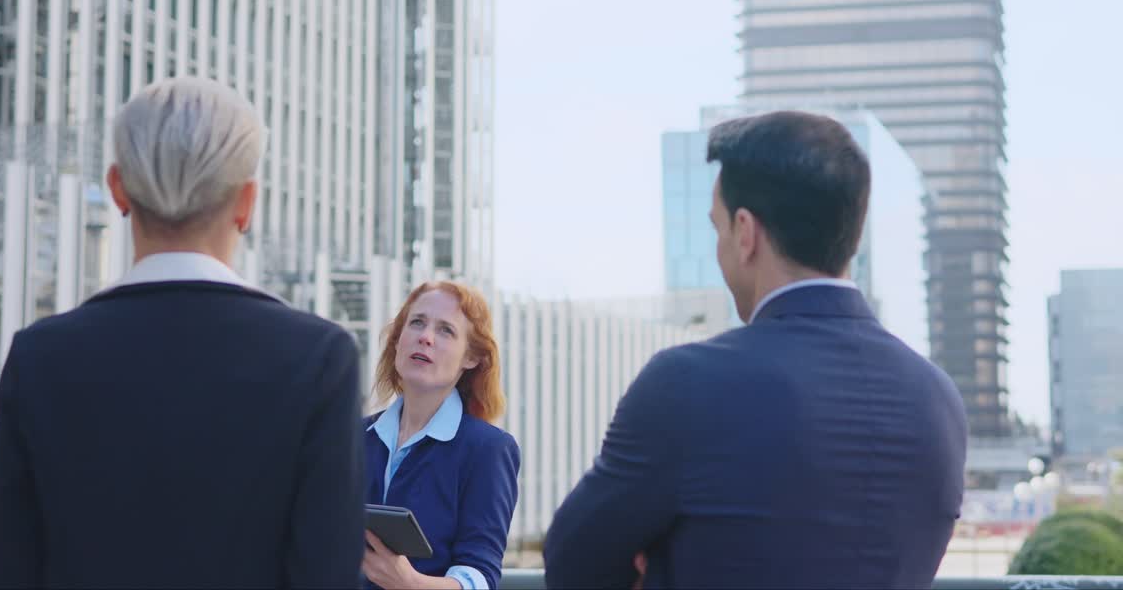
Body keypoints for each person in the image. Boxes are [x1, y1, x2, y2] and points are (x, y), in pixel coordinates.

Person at [544, 110, 968, 589]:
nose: (720, 248)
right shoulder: (938, 399)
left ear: (745, 233)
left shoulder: (688, 382)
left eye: (717, 228)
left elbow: (573, 566)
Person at [0, 77, 365, 588]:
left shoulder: (39, 357)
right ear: (246, 202)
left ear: (118, 189)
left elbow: (11, 573)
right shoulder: (319, 359)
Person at [360, 281, 520, 590]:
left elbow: (479, 576)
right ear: (397, 340)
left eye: (446, 330)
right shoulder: (354, 438)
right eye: (417, 322)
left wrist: (410, 584)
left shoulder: (488, 450)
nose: (425, 337)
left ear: (471, 358)